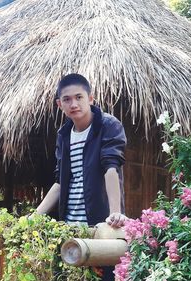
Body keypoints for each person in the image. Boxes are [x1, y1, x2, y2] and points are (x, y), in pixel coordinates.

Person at [36, 73, 127, 281]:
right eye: (67, 99)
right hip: (70, 229)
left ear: (91, 98)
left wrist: (115, 213)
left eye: (79, 97)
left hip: (101, 229)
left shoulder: (108, 125)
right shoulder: (64, 135)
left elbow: (111, 169)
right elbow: (60, 182)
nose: (73, 103)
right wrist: (34, 217)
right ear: (60, 104)